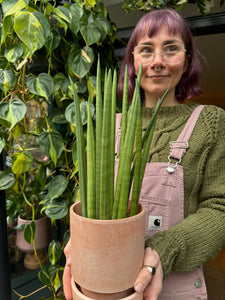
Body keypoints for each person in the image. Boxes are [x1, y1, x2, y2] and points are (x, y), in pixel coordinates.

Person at [63, 8, 225, 300]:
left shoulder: (209, 123)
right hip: (107, 285)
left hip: (177, 287)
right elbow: (89, 202)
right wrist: (79, 244)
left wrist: (162, 251)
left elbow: (219, 208)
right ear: (134, 61)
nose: (158, 62)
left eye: (171, 49)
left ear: (187, 59)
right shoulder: (108, 126)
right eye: (146, 50)